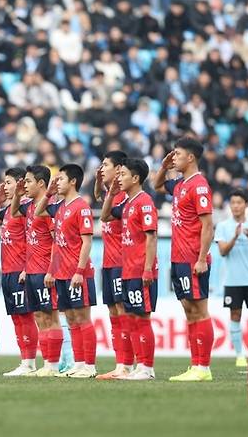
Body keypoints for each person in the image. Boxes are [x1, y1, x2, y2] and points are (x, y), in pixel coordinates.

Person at [154, 137, 215, 382]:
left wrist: (201, 259)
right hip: (179, 257)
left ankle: (204, 367)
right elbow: (158, 186)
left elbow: (208, 226)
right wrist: (164, 166)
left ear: (190, 157)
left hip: (193, 258)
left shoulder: (199, 186)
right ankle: (195, 364)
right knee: (189, 311)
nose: (174, 157)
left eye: (177, 154)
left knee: (200, 311)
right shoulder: (180, 184)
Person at [35, 164, 97, 378]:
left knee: (82, 317)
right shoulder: (60, 206)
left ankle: (89, 365)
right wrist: (49, 193)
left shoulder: (82, 206)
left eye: (60, 179)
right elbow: (38, 211)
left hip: (77, 272)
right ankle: (78, 363)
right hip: (61, 272)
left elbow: (87, 241)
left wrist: (80, 271)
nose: (56, 182)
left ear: (73, 181)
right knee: (71, 318)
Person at [104, 158, 158, 380]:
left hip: (139, 269)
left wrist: (147, 269)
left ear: (135, 178)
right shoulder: (127, 203)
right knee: (133, 319)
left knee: (142, 318)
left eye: (123, 174)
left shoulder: (144, 202)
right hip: (127, 269)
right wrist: (111, 193)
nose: (119, 177)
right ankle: (139, 365)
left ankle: (147, 367)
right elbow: (106, 216)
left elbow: (151, 237)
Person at [10, 164, 63, 377]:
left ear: (41, 183)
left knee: (51, 317)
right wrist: (18, 193)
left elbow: (56, 241)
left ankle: (53, 365)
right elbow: (13, 211)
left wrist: (51, 270)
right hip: (31, 270)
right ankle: (47, 363)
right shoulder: (30, 206)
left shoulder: (49, 207)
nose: (25, 185)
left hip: (44, 271)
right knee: (40, 317)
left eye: (29, 181)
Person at [0, 167, 38, 376]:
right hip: (7, 269)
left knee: (25, 316)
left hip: (20, 270)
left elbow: (32, 240)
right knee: (17, 317)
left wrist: (27, 267)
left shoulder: (27, 208)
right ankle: (24, 360)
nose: (4, 187)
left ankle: (30, 362)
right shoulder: (9, 209)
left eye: (8, 183)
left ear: (20, 184)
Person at [214, 189, 248, 368]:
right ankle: (239, 355)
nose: (235, 206)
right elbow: (222, 251)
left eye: (239, 203)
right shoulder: (223, 226)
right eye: (233, 203)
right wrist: (235, 236)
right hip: (233, 281)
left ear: (246, 205)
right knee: (235, 315)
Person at [94, 151, 136, 380]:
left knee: (123, 312)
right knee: (113, 312)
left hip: (122, 262)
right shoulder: (112, 194)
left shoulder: (125, 196)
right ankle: (121, 364)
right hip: (109, 262)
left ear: (119, 168)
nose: (101, 167)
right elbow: (100, 198)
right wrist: (101, 182)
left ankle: (127, 365)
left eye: (105, 164)